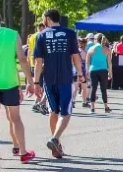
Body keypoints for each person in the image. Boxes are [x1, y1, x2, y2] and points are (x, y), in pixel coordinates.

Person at [33, 9, 84, 159]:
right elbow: (76, 56)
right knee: (66, 112)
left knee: (53, 111)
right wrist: (81, 74)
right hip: (65, 78)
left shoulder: (41, 35)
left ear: (48, 19)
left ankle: (56, 146)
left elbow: (38, 61)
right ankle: (55, 139)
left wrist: (36, 81)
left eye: (43, 18)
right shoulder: (69, 33)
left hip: (49, 79)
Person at [0, 9, 38, 162]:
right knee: (16, 118)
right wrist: (30, 82)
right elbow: (23, 60)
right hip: (9, 82)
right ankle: (23, 153)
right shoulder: (13, 34)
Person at [86, 33, 112, 114]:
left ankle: (92, 108)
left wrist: (87, 72)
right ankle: (106, 107)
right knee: (103, 90)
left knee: (93, 89)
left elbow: (87, 63)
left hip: (93, 70)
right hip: (103, 71)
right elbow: (109, 63)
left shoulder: (91, 49)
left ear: (95, 40)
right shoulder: (107, 49)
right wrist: (110, 72)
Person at [75, 38, 90, 109]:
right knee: (84, 88)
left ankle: (73, 101)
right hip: (82, 70)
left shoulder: (76, 51)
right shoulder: (84, 52)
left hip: (76, 70)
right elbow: (86, 62)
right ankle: (84, 102)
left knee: (76, 87)